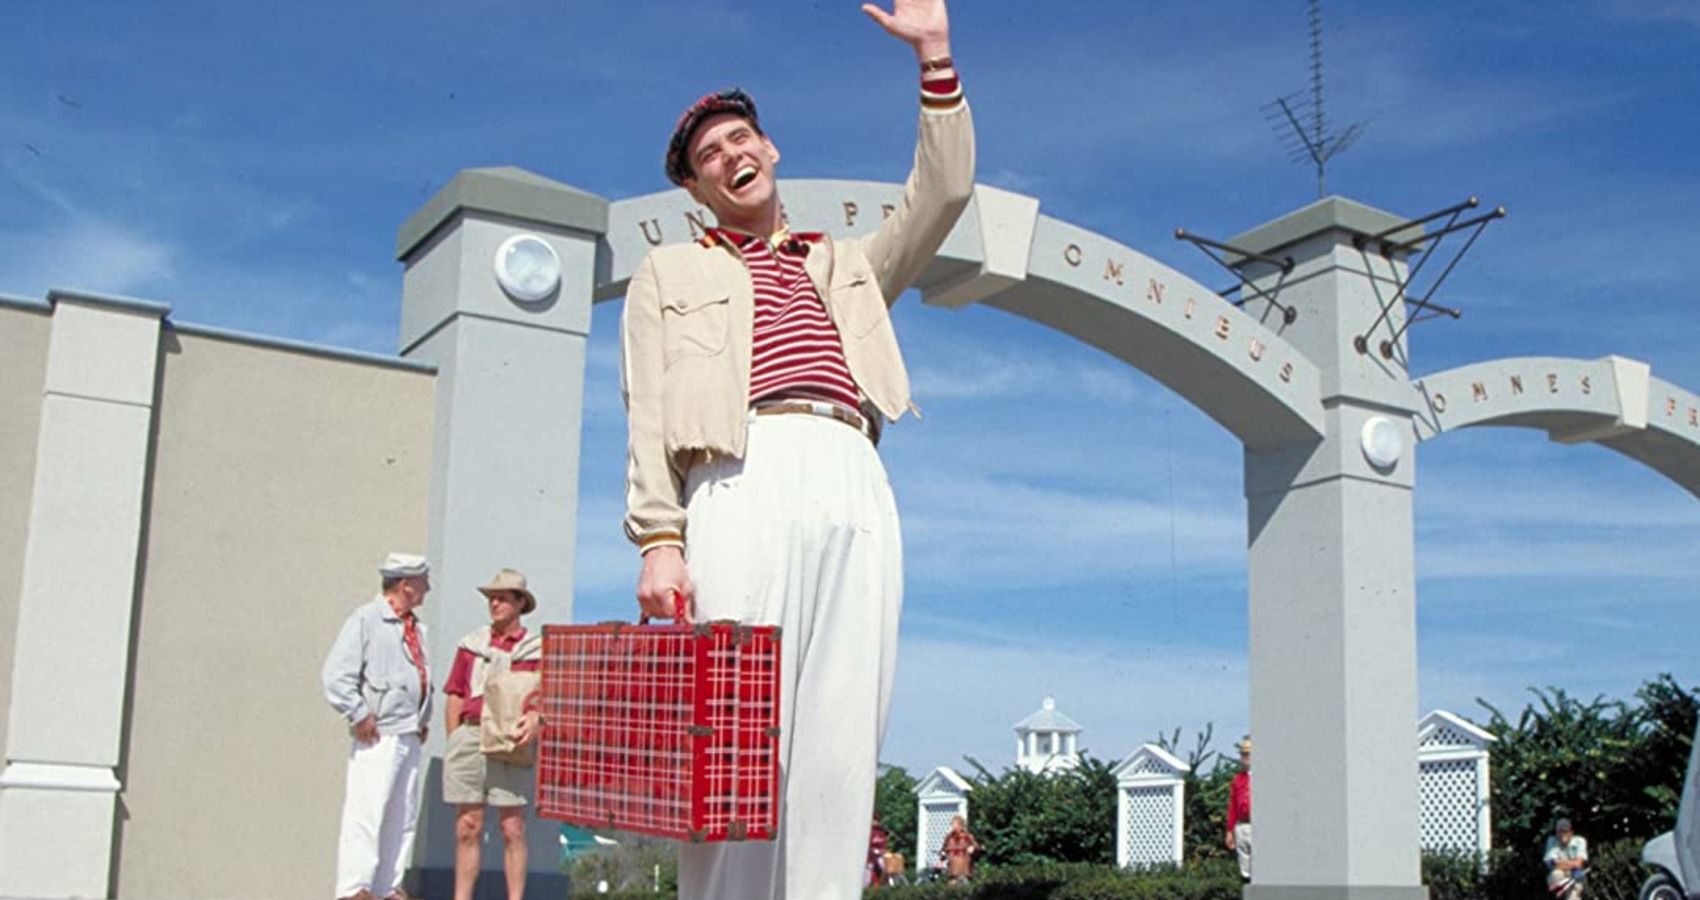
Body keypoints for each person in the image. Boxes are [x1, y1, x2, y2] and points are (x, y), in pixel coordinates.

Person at [619, 0, 973, 896]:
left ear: (770, 151)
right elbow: (648, 410)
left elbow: (944, 194)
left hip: (854, 462)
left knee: (843, 733)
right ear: (695, 190)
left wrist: (934, 57)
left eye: (742, 138)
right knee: (737, 735)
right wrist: (660, 539)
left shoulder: (846, 263)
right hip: (739, 473)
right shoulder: (669, 272)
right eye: (709, 155)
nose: (731, 154)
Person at [322, 553, 434, 900]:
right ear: (406, 585)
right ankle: (356, 887)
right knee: (367, 810)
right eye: (422, 581)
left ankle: (388, 885)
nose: (427, 587)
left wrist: (422, 716)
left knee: (402, 814)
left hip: (408, 731)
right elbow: (336, 675)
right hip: (380, 732)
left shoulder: (416, 628)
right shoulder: (367, 620)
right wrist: (359, 713)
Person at [441, 568, 544, 900]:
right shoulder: (471, 645)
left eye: (502, 598)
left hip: (510, 739)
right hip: (470, 734)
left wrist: (536, 719)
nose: (495, 604)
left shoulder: (537, 649)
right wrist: (455, 737)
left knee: (512, 826)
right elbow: (455, 693)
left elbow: (548, 697)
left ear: (519, 603)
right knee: (466, 825)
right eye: (491, 598)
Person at [1226, 736, 1252, 883]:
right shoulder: (1238, 779)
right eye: (1243, 754)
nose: (1245, 758)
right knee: (1245, 868)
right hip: (1242, 825)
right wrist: (1229, 830)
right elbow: (1233, 806)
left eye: (1248, 754)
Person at [1544, 818, 1589, 899]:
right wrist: (1573, 864)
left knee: (1573, 896)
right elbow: (1552, 863)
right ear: (1556, 832)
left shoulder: (1580, 841)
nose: (1562, 835)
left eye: (1565, 831)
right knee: (1556, 874)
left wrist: (1560, 863)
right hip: (1559, 877)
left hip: (1575, 875)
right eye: (1559, 832)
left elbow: (1579, 864)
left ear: (1571, 832)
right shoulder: (1551, 841)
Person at [939, 815, 979, 884]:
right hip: (952, 868)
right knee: (951, 887)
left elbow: (977, 848)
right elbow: (944, 850)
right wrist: (941, 860)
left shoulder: (967, 836)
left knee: (963, 887)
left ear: (960, 825)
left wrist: (973, 848)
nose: (952, 826)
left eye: (954, 824)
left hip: (964, 867)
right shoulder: (949, 837)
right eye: (952, 824)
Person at [866, 815, 890, 888]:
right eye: (874, 820)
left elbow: (884, 844)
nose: (875, 822)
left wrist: (883, 851)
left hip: (880, 856)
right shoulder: (868, 831)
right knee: (868, 876)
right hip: (870, 858)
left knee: (884, 867)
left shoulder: (881, 831)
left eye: (877, 820)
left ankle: (886, 884)